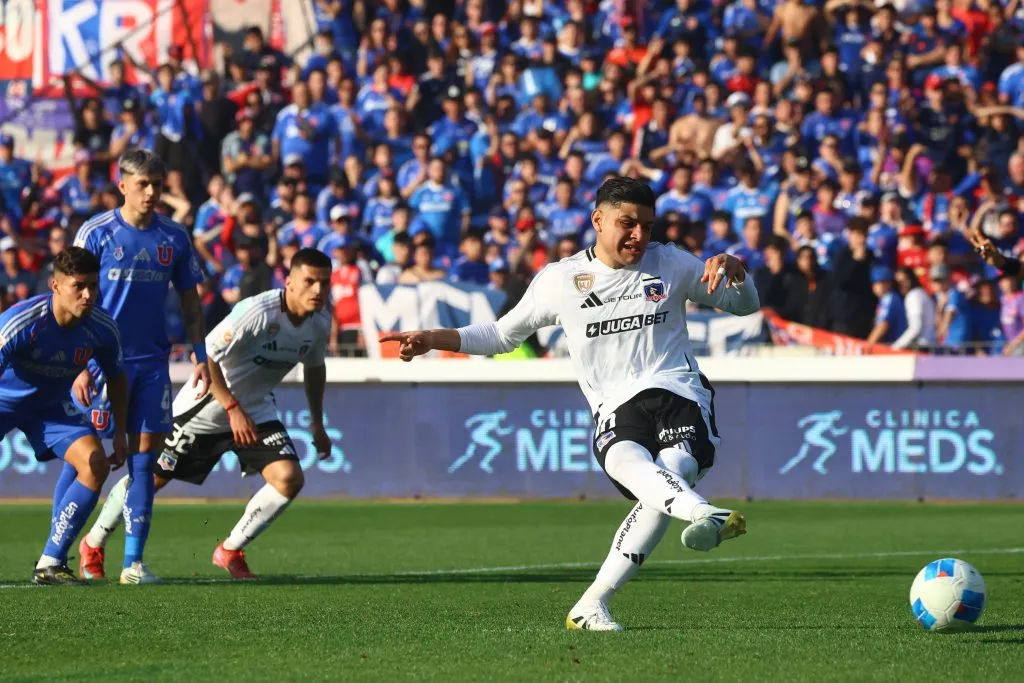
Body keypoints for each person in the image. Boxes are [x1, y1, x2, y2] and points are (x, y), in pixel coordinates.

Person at [381, 177, 759, 631]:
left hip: (677, 391)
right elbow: (501, 335)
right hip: (614, 405)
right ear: (598, 220)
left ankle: (699, 514)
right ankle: (593, 604)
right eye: (627, 223)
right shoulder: (561, 281)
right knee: (629, 464)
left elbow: (744, 306)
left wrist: (738, 271)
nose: (639, 235)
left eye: (646, 225)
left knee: (671, 471)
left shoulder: (672, 262)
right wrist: (433, 338)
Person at [80, 249, 333, 579]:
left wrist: (317, 423)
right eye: (310, 281)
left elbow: (315, 368)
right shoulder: (257, 311)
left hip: (255, 410)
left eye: (324, 283)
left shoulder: (320, 322)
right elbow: (206, 357)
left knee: (289, 478)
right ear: (290, 282)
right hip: (205, 408)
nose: (318, 290)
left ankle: (230, 549)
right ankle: (93, 543)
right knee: (150, 479)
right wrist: (231, 408)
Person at [71, 149, 211, 585]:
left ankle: (133, 563)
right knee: (88, 461)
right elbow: (70, 299)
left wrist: (201, 353)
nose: (151, 192)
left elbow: (190, 301)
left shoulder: (175, 236)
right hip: (100, 363)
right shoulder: (96, 233)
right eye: (142, 184)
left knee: (146, 461)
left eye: (157, 184)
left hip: (151, 363)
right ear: (122, 186)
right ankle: (61, 552)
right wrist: (77, 362)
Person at [0, 248, 128, 584]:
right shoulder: (21, 322)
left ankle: (51, 562)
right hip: (4, 401)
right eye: (79, 286)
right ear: (55, 285)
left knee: (95, 464)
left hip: (51, 406)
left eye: (93, 286)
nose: (87, 295)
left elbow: (117, 378)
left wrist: (120, 433)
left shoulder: (102, 328)